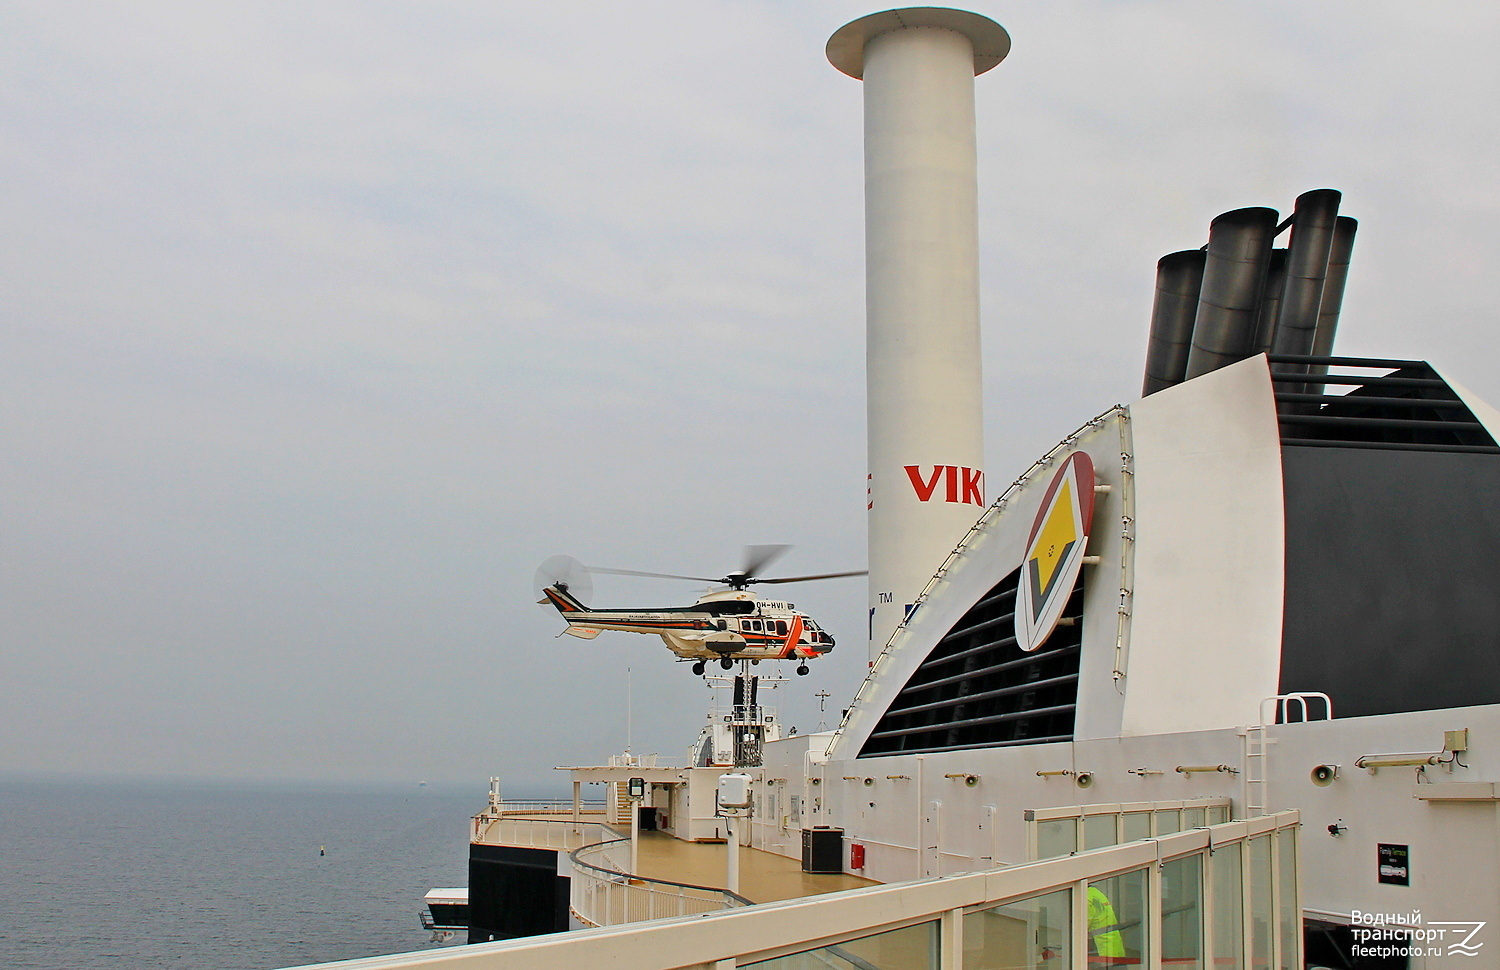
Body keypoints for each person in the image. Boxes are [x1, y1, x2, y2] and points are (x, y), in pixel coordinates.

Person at [1088, 885, 1127, 961]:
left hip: (1105, 947)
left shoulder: (1085, 899)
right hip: (1115, 941)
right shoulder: (1095, 892)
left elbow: (1081, 928)